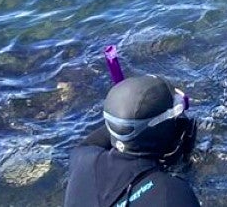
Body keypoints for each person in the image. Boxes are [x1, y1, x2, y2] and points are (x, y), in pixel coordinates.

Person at [64, 75, 200, 207]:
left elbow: (119, 126)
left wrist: (129, 105)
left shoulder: (82, 158)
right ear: (160, 126)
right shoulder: (172, 194)